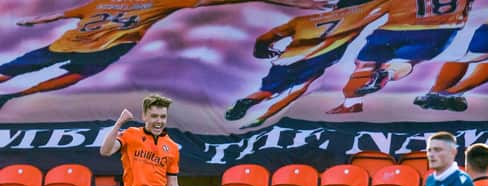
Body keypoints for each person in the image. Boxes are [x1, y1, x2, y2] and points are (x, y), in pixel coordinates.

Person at [0, 0, 330, 109]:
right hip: (108, 46)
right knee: (77, 75)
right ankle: (21, 94)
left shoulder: (99, 3)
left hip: (66, 42)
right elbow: (209, 3)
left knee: (16, 66)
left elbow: (65, 14)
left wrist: (38, 20)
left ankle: (13, 88)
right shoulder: (158, 2)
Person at [224, 0, 388, 128]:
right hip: (318, 59)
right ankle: (262, 117)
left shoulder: (302, 20)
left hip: (286, 59)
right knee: (298, 90)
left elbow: (265, 38)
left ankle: (248, 100)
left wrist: (261, 52)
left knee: (267, 90)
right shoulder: (357, 16)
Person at [327, 0, 472, 114]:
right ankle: (388, 74)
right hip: (439, 31)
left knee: (364, 65)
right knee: (405, 62)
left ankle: (352, 104)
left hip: (393, 29)